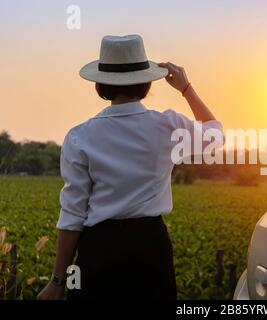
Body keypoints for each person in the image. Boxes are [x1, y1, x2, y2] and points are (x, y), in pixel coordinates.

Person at [37, 34, 223, 299]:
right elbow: (215, 135)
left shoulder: (79, 136)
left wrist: (57, 281)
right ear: (146, 82)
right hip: (151, 248)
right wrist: (186, 89)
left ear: (101, 84)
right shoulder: (168, 126)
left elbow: (72, 215)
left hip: (98, 252)